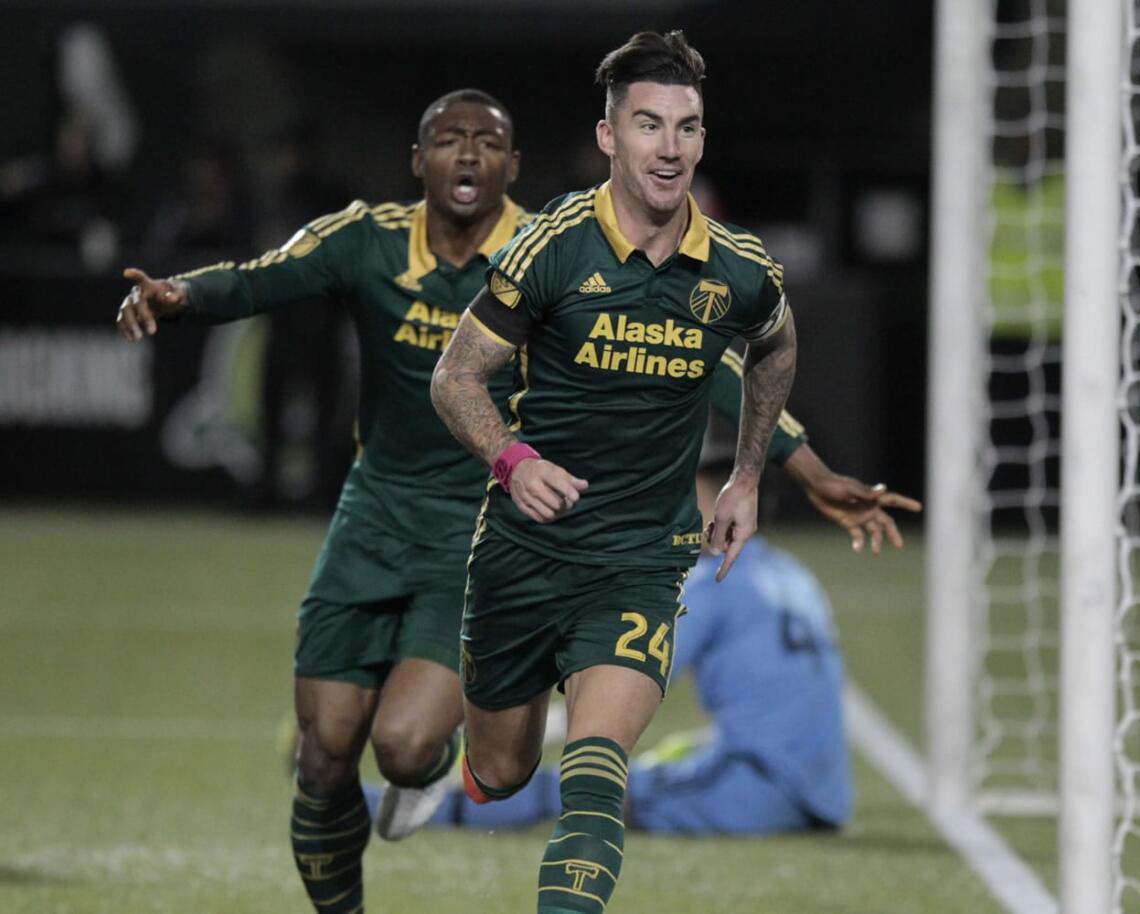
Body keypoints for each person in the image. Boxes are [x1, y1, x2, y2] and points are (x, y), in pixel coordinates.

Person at [115, 88, 822, 913]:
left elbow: (713, 361)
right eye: (448, 140)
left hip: (485, 525)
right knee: (323, 754)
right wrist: (181, 295)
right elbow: (263, 279)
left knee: (408, 747)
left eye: (487, 142)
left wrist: (795, 462)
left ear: (511, 166)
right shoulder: (367, 239)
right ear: (419, 162)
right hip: (373, 514)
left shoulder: (548, 245)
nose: (468, 155)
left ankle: (437, 755)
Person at [430, 32, 918, 914]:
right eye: (648, 125)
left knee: (595, 768)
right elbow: (455, 375)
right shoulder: (552, 250)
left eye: (686, 127)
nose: (669, 146)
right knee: (501, 773)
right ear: (610, 136)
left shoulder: (738, 268)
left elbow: (771, 350)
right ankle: (458, 754)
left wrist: (750, 477)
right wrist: (512, 458)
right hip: (524, 549)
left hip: (645, 556)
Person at [374, 441, 855, 835]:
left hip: (753, 793)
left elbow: (619, 676)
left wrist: (488, 724)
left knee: (567, 789)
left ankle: (366, 803)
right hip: (821, 793)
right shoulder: (789, 572)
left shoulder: (714, 583)